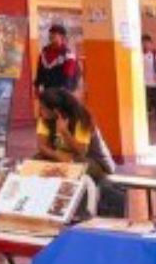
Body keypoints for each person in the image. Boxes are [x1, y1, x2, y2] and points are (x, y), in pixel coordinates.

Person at [33, 88, 125, 217]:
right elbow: (42, 147)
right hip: (64, 157)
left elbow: (81, 151)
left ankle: (78, 208)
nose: (40, 111)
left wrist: (65, 133)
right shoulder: (45, 120)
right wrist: (57, 155)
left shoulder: (81, 118)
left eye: (43, 108)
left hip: (93, 161)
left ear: (55, 110)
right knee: (36, 160)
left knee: (76, 164)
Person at [34, 24, 81, 97]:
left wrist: (65, 91)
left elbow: (69, 74)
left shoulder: (68, 54)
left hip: (62, 90)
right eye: (50, 33)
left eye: (54, 34)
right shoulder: (45, 52)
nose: (51, 36)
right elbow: (40, 70)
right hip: (47, 89)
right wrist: (37, 85)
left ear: (61, 37)